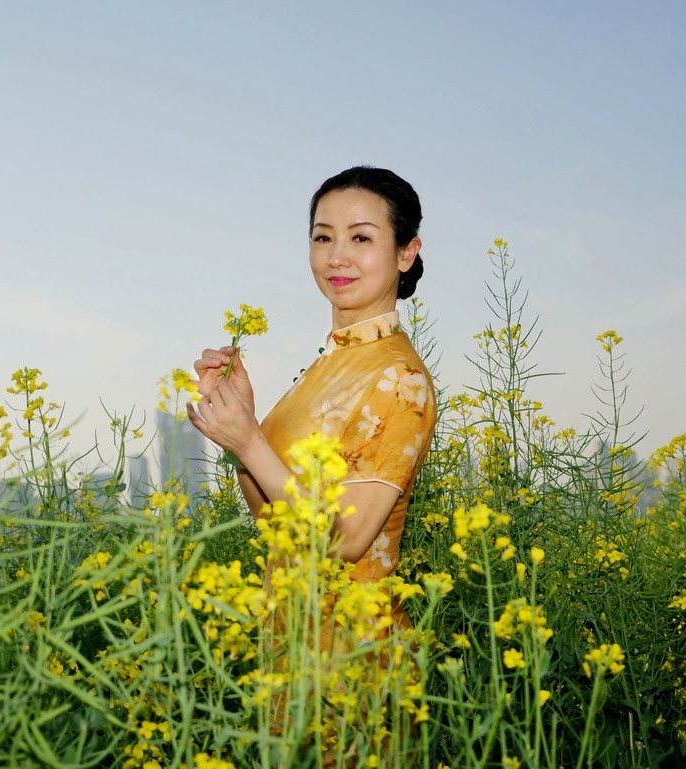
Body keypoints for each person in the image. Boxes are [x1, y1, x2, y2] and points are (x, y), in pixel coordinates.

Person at [187, 166, 437, 756]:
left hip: (355, 664)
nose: (337, 256)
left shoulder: (399, 377)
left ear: (406, 253)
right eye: (323, 237)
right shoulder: (325, 367)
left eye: (361, 237)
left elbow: (348, 538)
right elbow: (274, 521)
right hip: (290, 651)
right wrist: (244, 419)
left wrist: (251, 442)